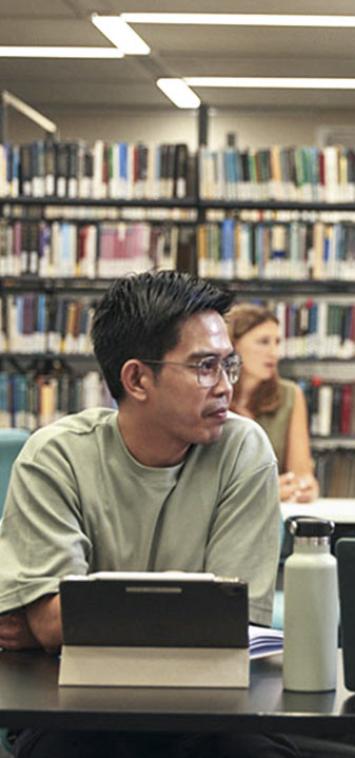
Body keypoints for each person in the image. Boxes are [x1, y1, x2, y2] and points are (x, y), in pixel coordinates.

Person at [0, 271, 294, 758]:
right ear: (137, 379)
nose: (224, 387)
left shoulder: (244, 449)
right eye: (204, 367)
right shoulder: (55, 456)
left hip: (212, 707)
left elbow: (230, 621)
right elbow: (55, 623)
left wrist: (68, 620)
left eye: (228, 365)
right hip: (78, 708)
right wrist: (53, 623)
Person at [227, 303, 317, 503]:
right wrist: (263, 490)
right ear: (233, 346)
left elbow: (301, 474)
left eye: (277, 342)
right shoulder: (211, 394)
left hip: (275, 514)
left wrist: (304, 487)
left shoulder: (290, 394)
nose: (274, 353)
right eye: (263, 342)